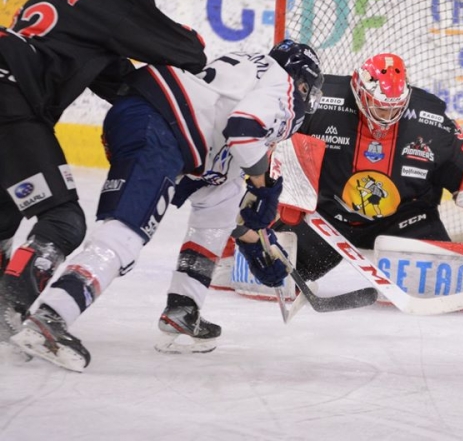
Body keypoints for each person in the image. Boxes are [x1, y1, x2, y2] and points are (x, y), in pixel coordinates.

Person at [10, 40, 323, 371]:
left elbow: (226, 166)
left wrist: (253, 236)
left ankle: (183, 308)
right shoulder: (283, 87)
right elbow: (244, 129)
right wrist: (264, 188)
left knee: (221, 200)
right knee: (127, 234)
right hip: (161, 127)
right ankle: (51, 317)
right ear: (302, 80)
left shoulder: (249, 71)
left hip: (159, 123)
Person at [0, 0, 207, 342]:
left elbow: (116, 81)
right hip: (9, 100)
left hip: (8, 93)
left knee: (4, 216)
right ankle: (11, 306)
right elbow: (185, 51)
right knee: (63, 221)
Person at [269, 53, 463, 300]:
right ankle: (235, 256)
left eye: (395, 106)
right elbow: (270, 139)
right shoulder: (320, 99)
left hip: (405, 222)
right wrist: (282, 191)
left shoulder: (430, 117)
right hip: (326, 219)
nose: (388, 113)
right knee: (271, 276)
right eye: (381, 105)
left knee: (451, 282)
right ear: (359, 92)